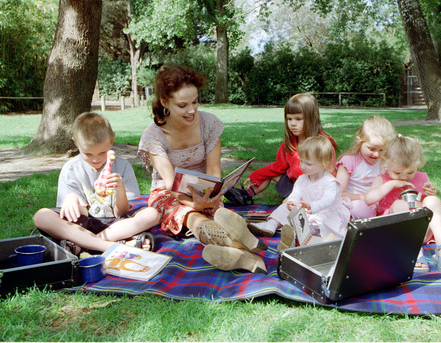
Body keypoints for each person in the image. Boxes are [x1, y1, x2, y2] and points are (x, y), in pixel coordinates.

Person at [138, 65, 268, 274]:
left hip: (206, 190)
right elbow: (171, 184)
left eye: (195, 102)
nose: (191, 110)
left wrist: (211, 196)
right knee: (191, 215)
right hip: (169, 193)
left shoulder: (208, 124)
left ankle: (242, 256)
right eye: (182, 105)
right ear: (164, 102)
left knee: (216, 213)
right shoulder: (153, 135)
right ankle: (245, 252)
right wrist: (193, 203)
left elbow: (214, 169)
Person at [33, 112, 160, 254]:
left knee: (152, 214)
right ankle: (113, 246)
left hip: (116, 225)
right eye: (88, 154)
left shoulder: (123, 166)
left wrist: (120, 190)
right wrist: (72, 199)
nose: (96, 160)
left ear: (112, 140)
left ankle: (83, 246)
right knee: (41, 216)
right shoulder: (71, 169)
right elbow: (80, 216)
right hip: (83, 225)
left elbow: (123, 212)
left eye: (102, 152)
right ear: (75, 141)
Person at [364, 134, 441, 274]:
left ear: (418, 163)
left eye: (410, 172)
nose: (404, 177)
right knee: (401, 205)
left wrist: (430, 193)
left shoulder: (421, 177)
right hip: (395, 233)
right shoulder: (383, 179)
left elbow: (430, 207)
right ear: (386, 161)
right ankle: (414, 253)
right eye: (397, 172)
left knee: (433, 200)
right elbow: (369, 199)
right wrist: (392, 184)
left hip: (420, 231)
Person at [226, 93, 338, 206]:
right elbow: (278, 167)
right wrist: (257, 175)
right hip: (295, 184)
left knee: (287, 208)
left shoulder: (323, 143)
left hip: (316, 190)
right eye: (289, 119)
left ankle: (293, 202)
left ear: (311, 119)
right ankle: (245, 195)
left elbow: (330, 174)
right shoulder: (290, 143)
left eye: (298, 119)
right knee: (269, 173)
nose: (293, 123)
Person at [248, 136, 351, 248]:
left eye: (308, 164)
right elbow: (296, 192)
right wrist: (293, 201)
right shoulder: (303, 178)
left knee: (313, 227)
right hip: (305, 210)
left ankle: (295, 240)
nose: (303, 166)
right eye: (301, 161)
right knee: (284, 208)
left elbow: (328, 200)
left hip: (324, 214)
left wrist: (313, 206)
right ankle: (271, 225)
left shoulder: (330, 182)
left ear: (324, 164)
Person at [336, 115, 395, 219]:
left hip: (380, 204)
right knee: (361, 209)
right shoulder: (349, 161)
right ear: (359, 142)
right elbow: (338, 194)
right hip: (355, 203)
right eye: (371, 149)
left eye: (381, 150)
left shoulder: (385, 163)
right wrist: (365, 198)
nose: (376, 154)